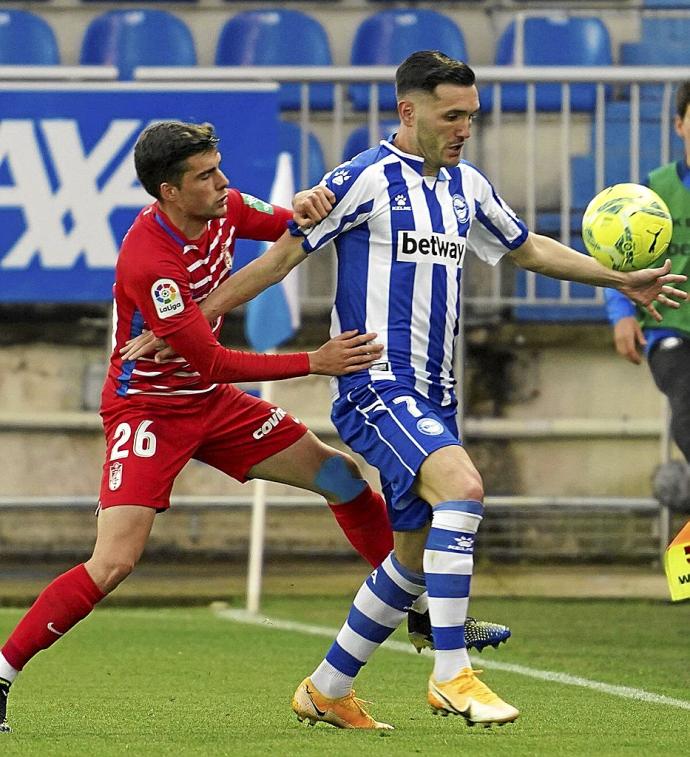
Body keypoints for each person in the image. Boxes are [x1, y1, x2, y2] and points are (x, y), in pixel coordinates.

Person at [119, 53, 688, 732]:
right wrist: (188, 319)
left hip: (433, 393)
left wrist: (617, 279)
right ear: (408, 111)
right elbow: (278, 259)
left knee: (411, 560)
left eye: (471, 117)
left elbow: (527, 247)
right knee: (464, 487)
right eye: (452, 116)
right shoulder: (360, 181)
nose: (464, 130)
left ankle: (327, 687)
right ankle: (453, 674)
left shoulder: (467, 186)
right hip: (373, 385)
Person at [0, 120, 395, 735]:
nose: (222, 183)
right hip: (149, 411)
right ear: (168, 191)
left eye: (218, 167)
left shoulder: (226, 206)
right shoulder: (150, 261)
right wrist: (314, 362)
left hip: (212, 404)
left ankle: (412, 605)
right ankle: (2, 673)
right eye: (205, 176)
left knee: (341, 477)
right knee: (113, 563)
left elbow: (290, 228)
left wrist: (310, 201)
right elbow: (209, 358)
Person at [605, 81, 690, 598]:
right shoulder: (652, 193)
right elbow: (616, 259)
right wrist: (620, 313)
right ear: (679, 124)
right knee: (688, 412)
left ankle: (681, 502)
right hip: (672, 330)